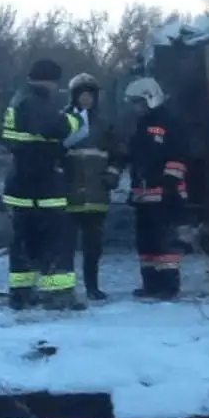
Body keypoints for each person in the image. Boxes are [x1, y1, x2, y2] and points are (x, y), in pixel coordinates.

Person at [0, 58, 90, 311]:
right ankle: (58, 294)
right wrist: (75, 119)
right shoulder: (35, 101)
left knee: (24, 243)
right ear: (50, 81)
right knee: (58, 240)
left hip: (21, 184)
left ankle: (21, 292)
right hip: (43, 186)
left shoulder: (18, 99)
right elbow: (58, 128)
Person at [123, 76, 188, 299]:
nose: (135, 107)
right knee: (146, 241)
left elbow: (178, 154)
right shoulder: (141, 125)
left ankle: (168, 285)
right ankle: (150, 283)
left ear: (150, 98)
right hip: (143, 195)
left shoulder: (169, 121)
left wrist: (170, 181)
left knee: (165, 242)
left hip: (165, 194)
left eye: (138, 102)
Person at [61, 73, 122, 302]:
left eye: (90, 95)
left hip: (97, 193)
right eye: (82, 95)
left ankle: (92, 287)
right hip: (69, 194)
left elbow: (118, 156)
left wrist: (112, 176)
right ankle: (65, 288)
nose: (86, 99)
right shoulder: (63, 121)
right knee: (65, 244)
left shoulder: (105, 124)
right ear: (74, 96)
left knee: (93, 246)